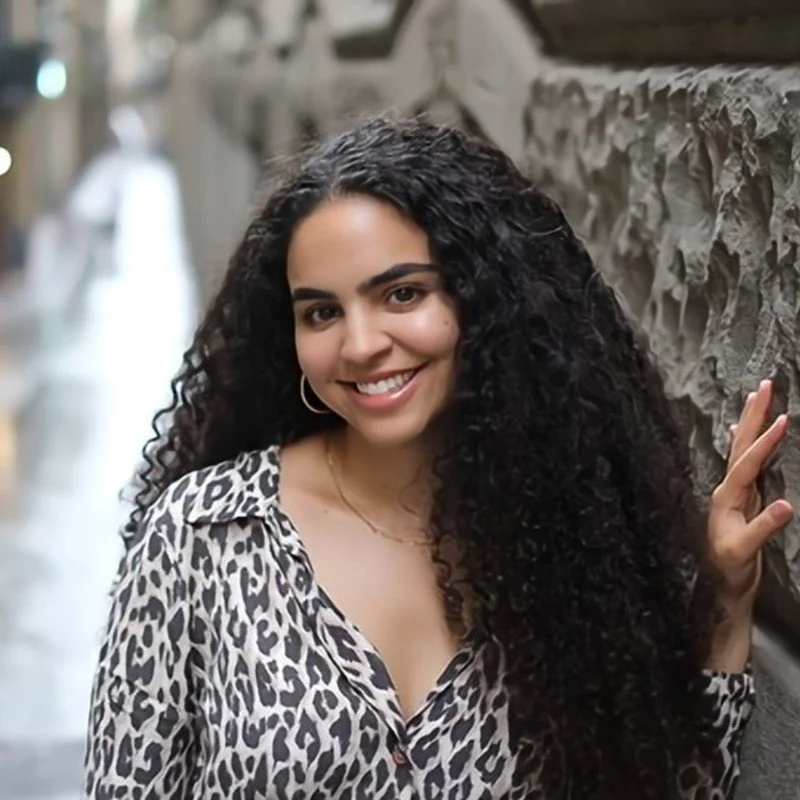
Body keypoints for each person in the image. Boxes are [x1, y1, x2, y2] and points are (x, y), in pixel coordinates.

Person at [83, 115, 792, 799]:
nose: (360, 345)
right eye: (321, 312)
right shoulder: (199, 538)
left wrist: (725, 598)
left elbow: (666, 786)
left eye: (402, 293)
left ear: (487, 302)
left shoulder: (569, 541)